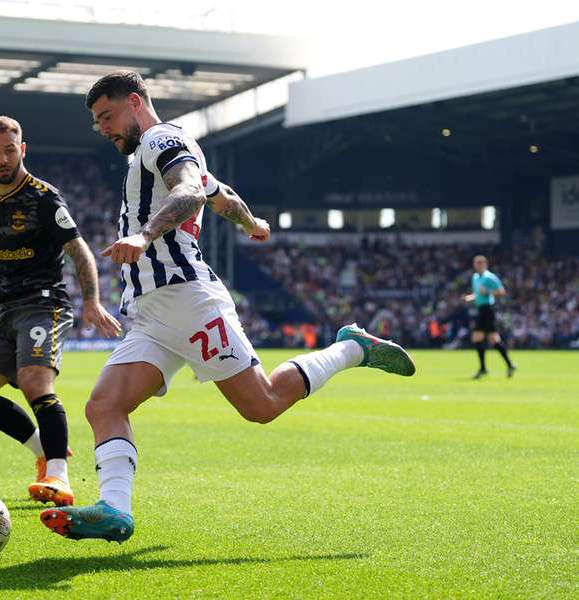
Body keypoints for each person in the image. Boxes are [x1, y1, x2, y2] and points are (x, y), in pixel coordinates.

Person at [40, 71, 416, 542]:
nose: (102, 129)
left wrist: (144, 234)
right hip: (151, 313)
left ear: (135, 102)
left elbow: (191, 191)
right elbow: (219, 194)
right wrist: (250, 220)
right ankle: (115, 510)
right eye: (97, 122)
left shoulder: (161, 139)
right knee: (105, 405)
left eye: (107, 117)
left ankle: (352, 349)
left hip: (187, 299)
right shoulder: (161, 151)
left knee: (262, 405)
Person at [0, 115, 121, 507]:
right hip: (6, 310)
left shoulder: (44, 197)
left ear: (22, 149)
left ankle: (59, 477)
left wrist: (91, 301)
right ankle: (42, 451)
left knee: (35, 381)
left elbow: (78, 248)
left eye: (8, 150)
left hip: (44, 303)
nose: (3, 159)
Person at [463, 254, 515, 378]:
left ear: (485, 264)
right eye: (477, 263)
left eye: (481, 263)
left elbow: (502, 291)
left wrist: (488, 292)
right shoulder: (475, 277)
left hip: (487, 309)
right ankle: (510, 365)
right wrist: (470, 297)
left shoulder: (490, 277)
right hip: (481, 309)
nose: (478, 265)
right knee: (494, 339)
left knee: (477, 338)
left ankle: (483, 369)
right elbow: (477, 294)